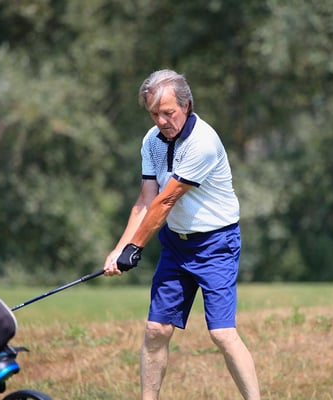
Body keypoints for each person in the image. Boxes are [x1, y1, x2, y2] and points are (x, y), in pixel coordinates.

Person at [103, 69, 260, 400]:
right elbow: (145, 200)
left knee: (222, 333)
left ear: (186, 106)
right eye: (154, 114)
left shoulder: (203, 142)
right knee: (156, 330)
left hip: (216, 244)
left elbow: (165, 201)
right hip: (176, 244)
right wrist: (120, 249)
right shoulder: (152, 141)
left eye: (168, 112)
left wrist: (135, 246)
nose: (161, 121)